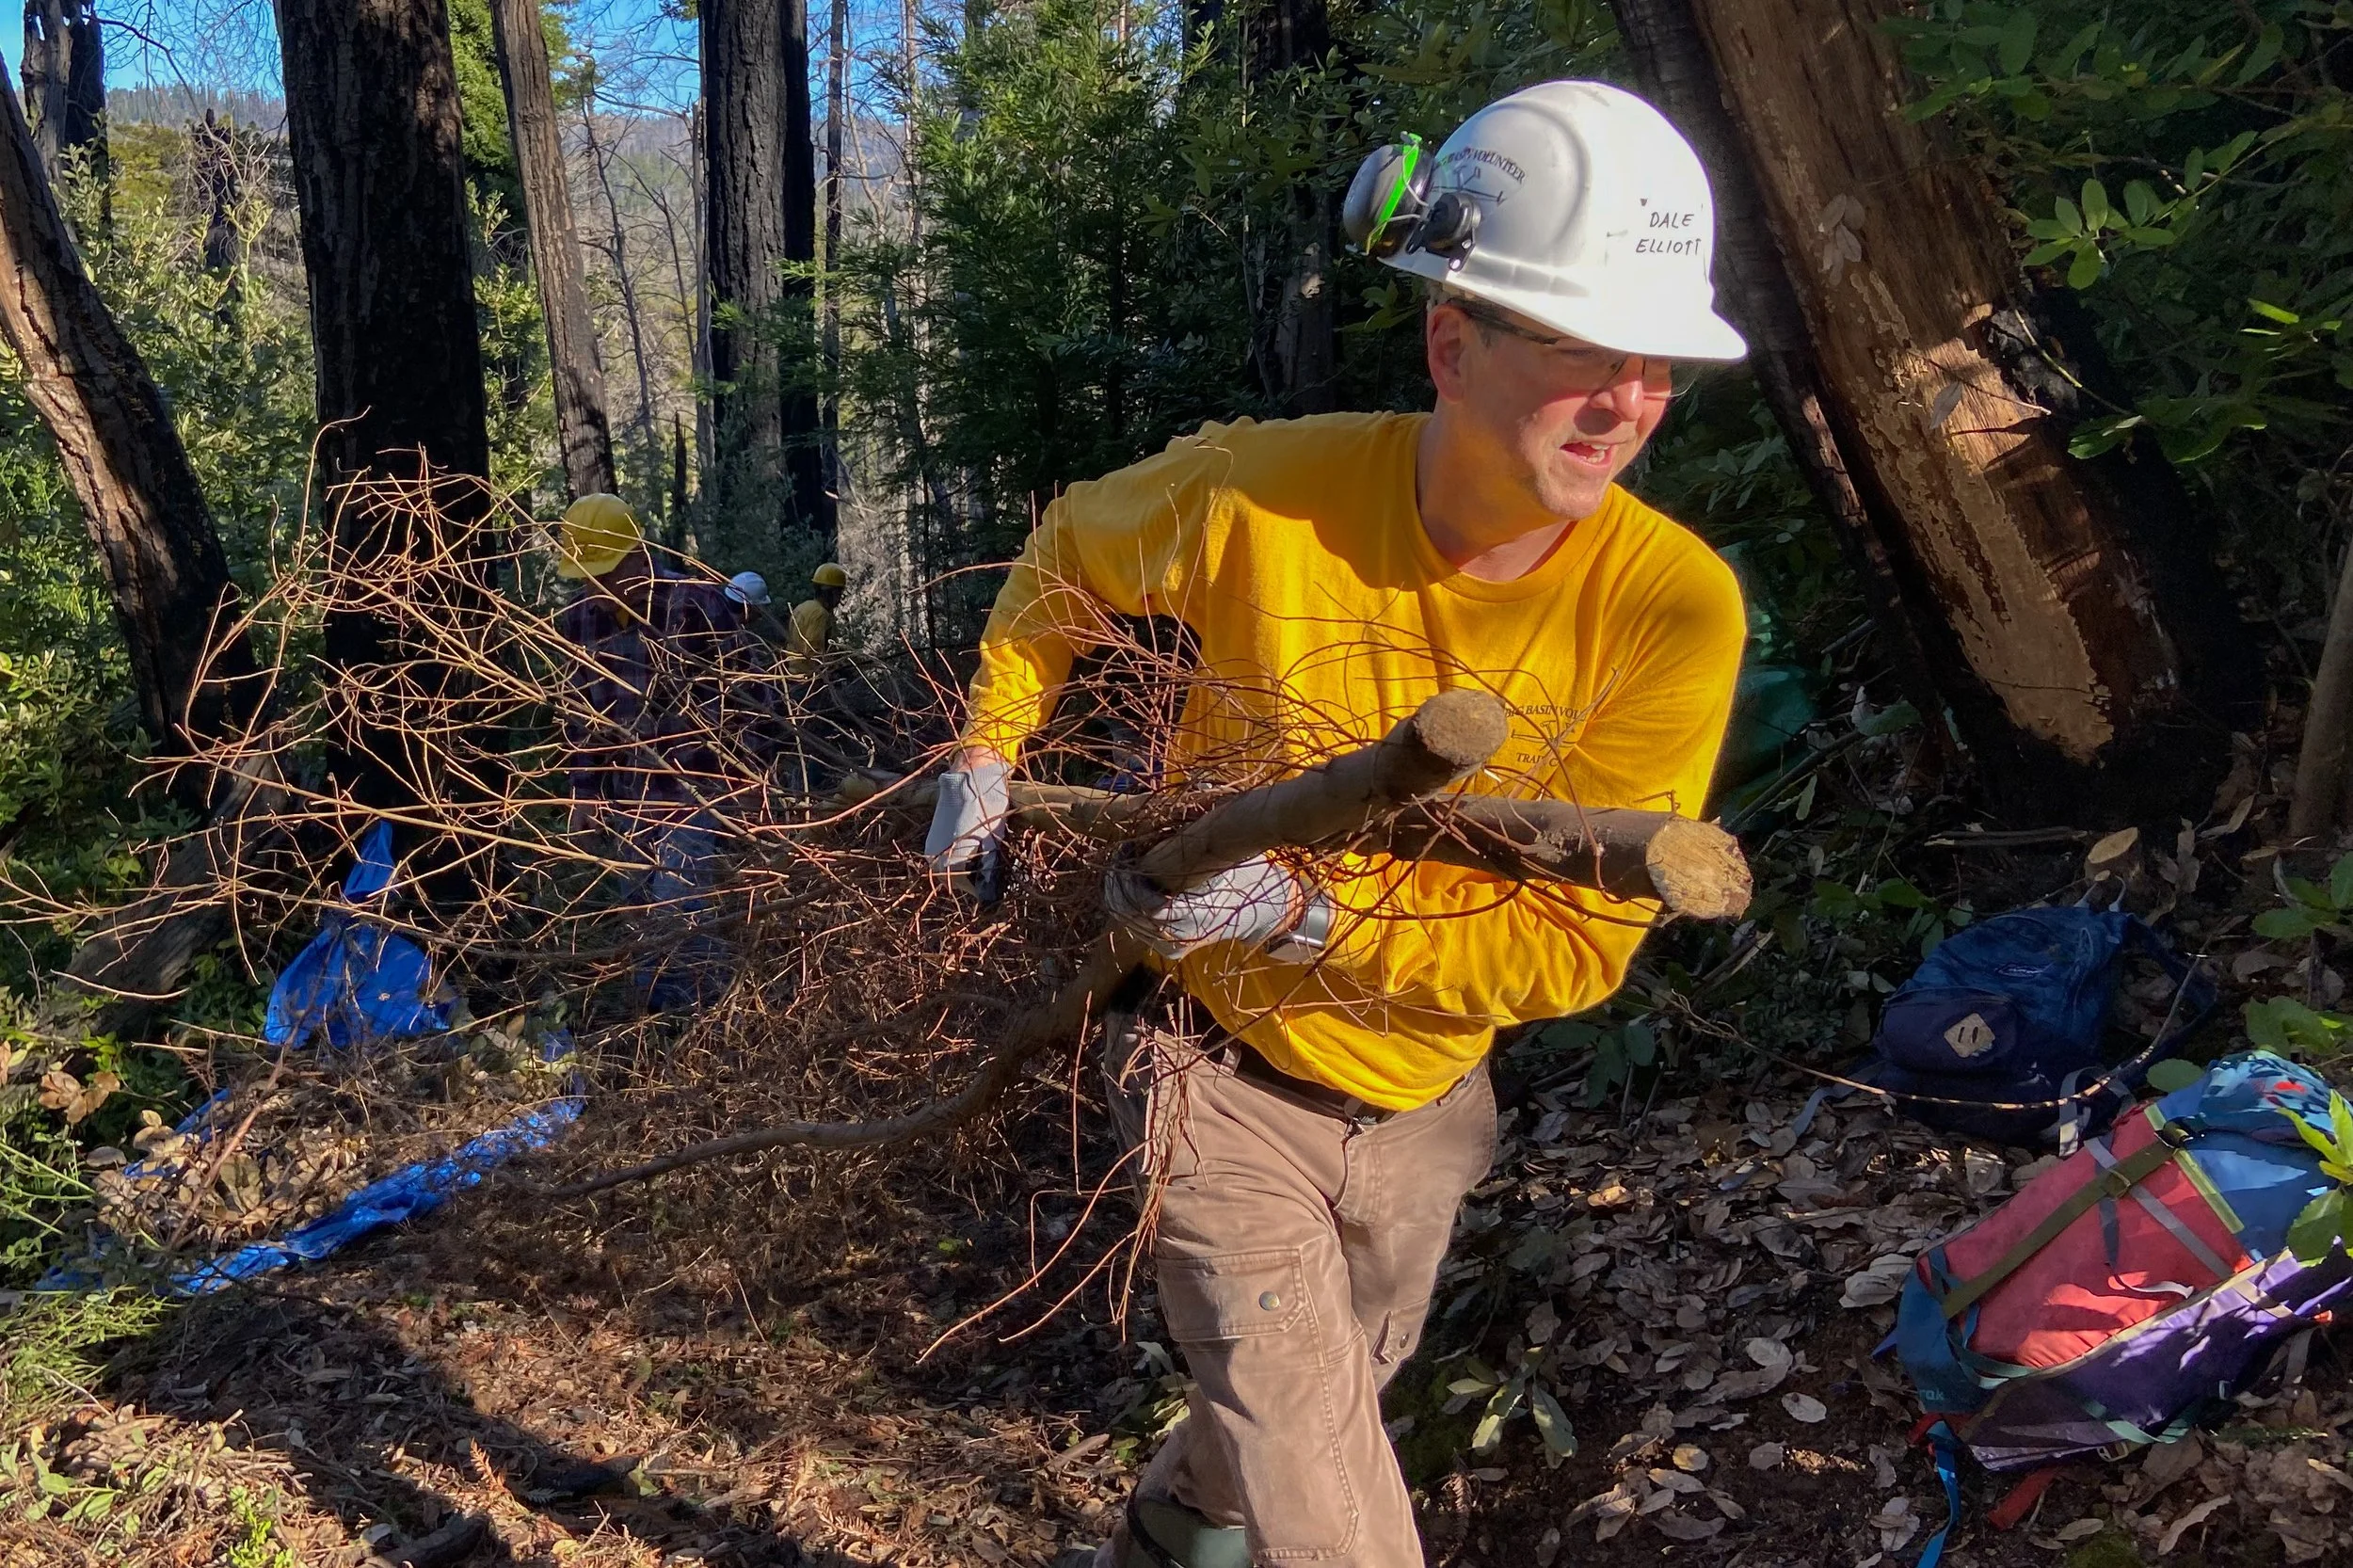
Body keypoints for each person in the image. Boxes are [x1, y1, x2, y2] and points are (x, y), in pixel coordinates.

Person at [923, 82, 1752, 1568]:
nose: (1625, 402)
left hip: (1429, 1102)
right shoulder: (1264, 498)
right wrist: (990, 743)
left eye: (1656, 367)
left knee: (1299, 1416)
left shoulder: (1670, 606)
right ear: (1454, 344)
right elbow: (1066, 555)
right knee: (1326, 1503)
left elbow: (1573, 949)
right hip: (1213, 1073)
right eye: (1583, 352)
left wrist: (1311, 914)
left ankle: (1157, 1543)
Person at [553, 494, 772, 1004]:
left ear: (638, 557)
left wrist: (752, 779)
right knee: (640, 926)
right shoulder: (580, 621)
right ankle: (657, 1029)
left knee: (680, 922)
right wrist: (583, 789)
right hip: (627, 803)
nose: (596, 588)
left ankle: (703, 1029)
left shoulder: (697, 604)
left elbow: (752, 699)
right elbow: (579, 714)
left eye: (605, 574)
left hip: (696, 796)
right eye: (587, 577)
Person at [786, 562, 848, 674]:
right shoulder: (820, 614)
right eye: (839, 592)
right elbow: (813, 651)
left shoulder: (802, 607)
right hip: (808, 675)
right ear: (832, 592)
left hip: (793, 671)